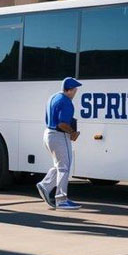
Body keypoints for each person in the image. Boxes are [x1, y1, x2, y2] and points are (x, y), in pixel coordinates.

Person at [37, 77, 83, 211]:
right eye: (75, 90)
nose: (75, 92)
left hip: (48, 134)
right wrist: (73, 132)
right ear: (70, 90)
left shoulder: (53, 97)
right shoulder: (67, 102)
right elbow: (62, 123)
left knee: (59, 165)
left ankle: (45, 185)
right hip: (59, 136)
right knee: (64, 167)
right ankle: (61, 200)